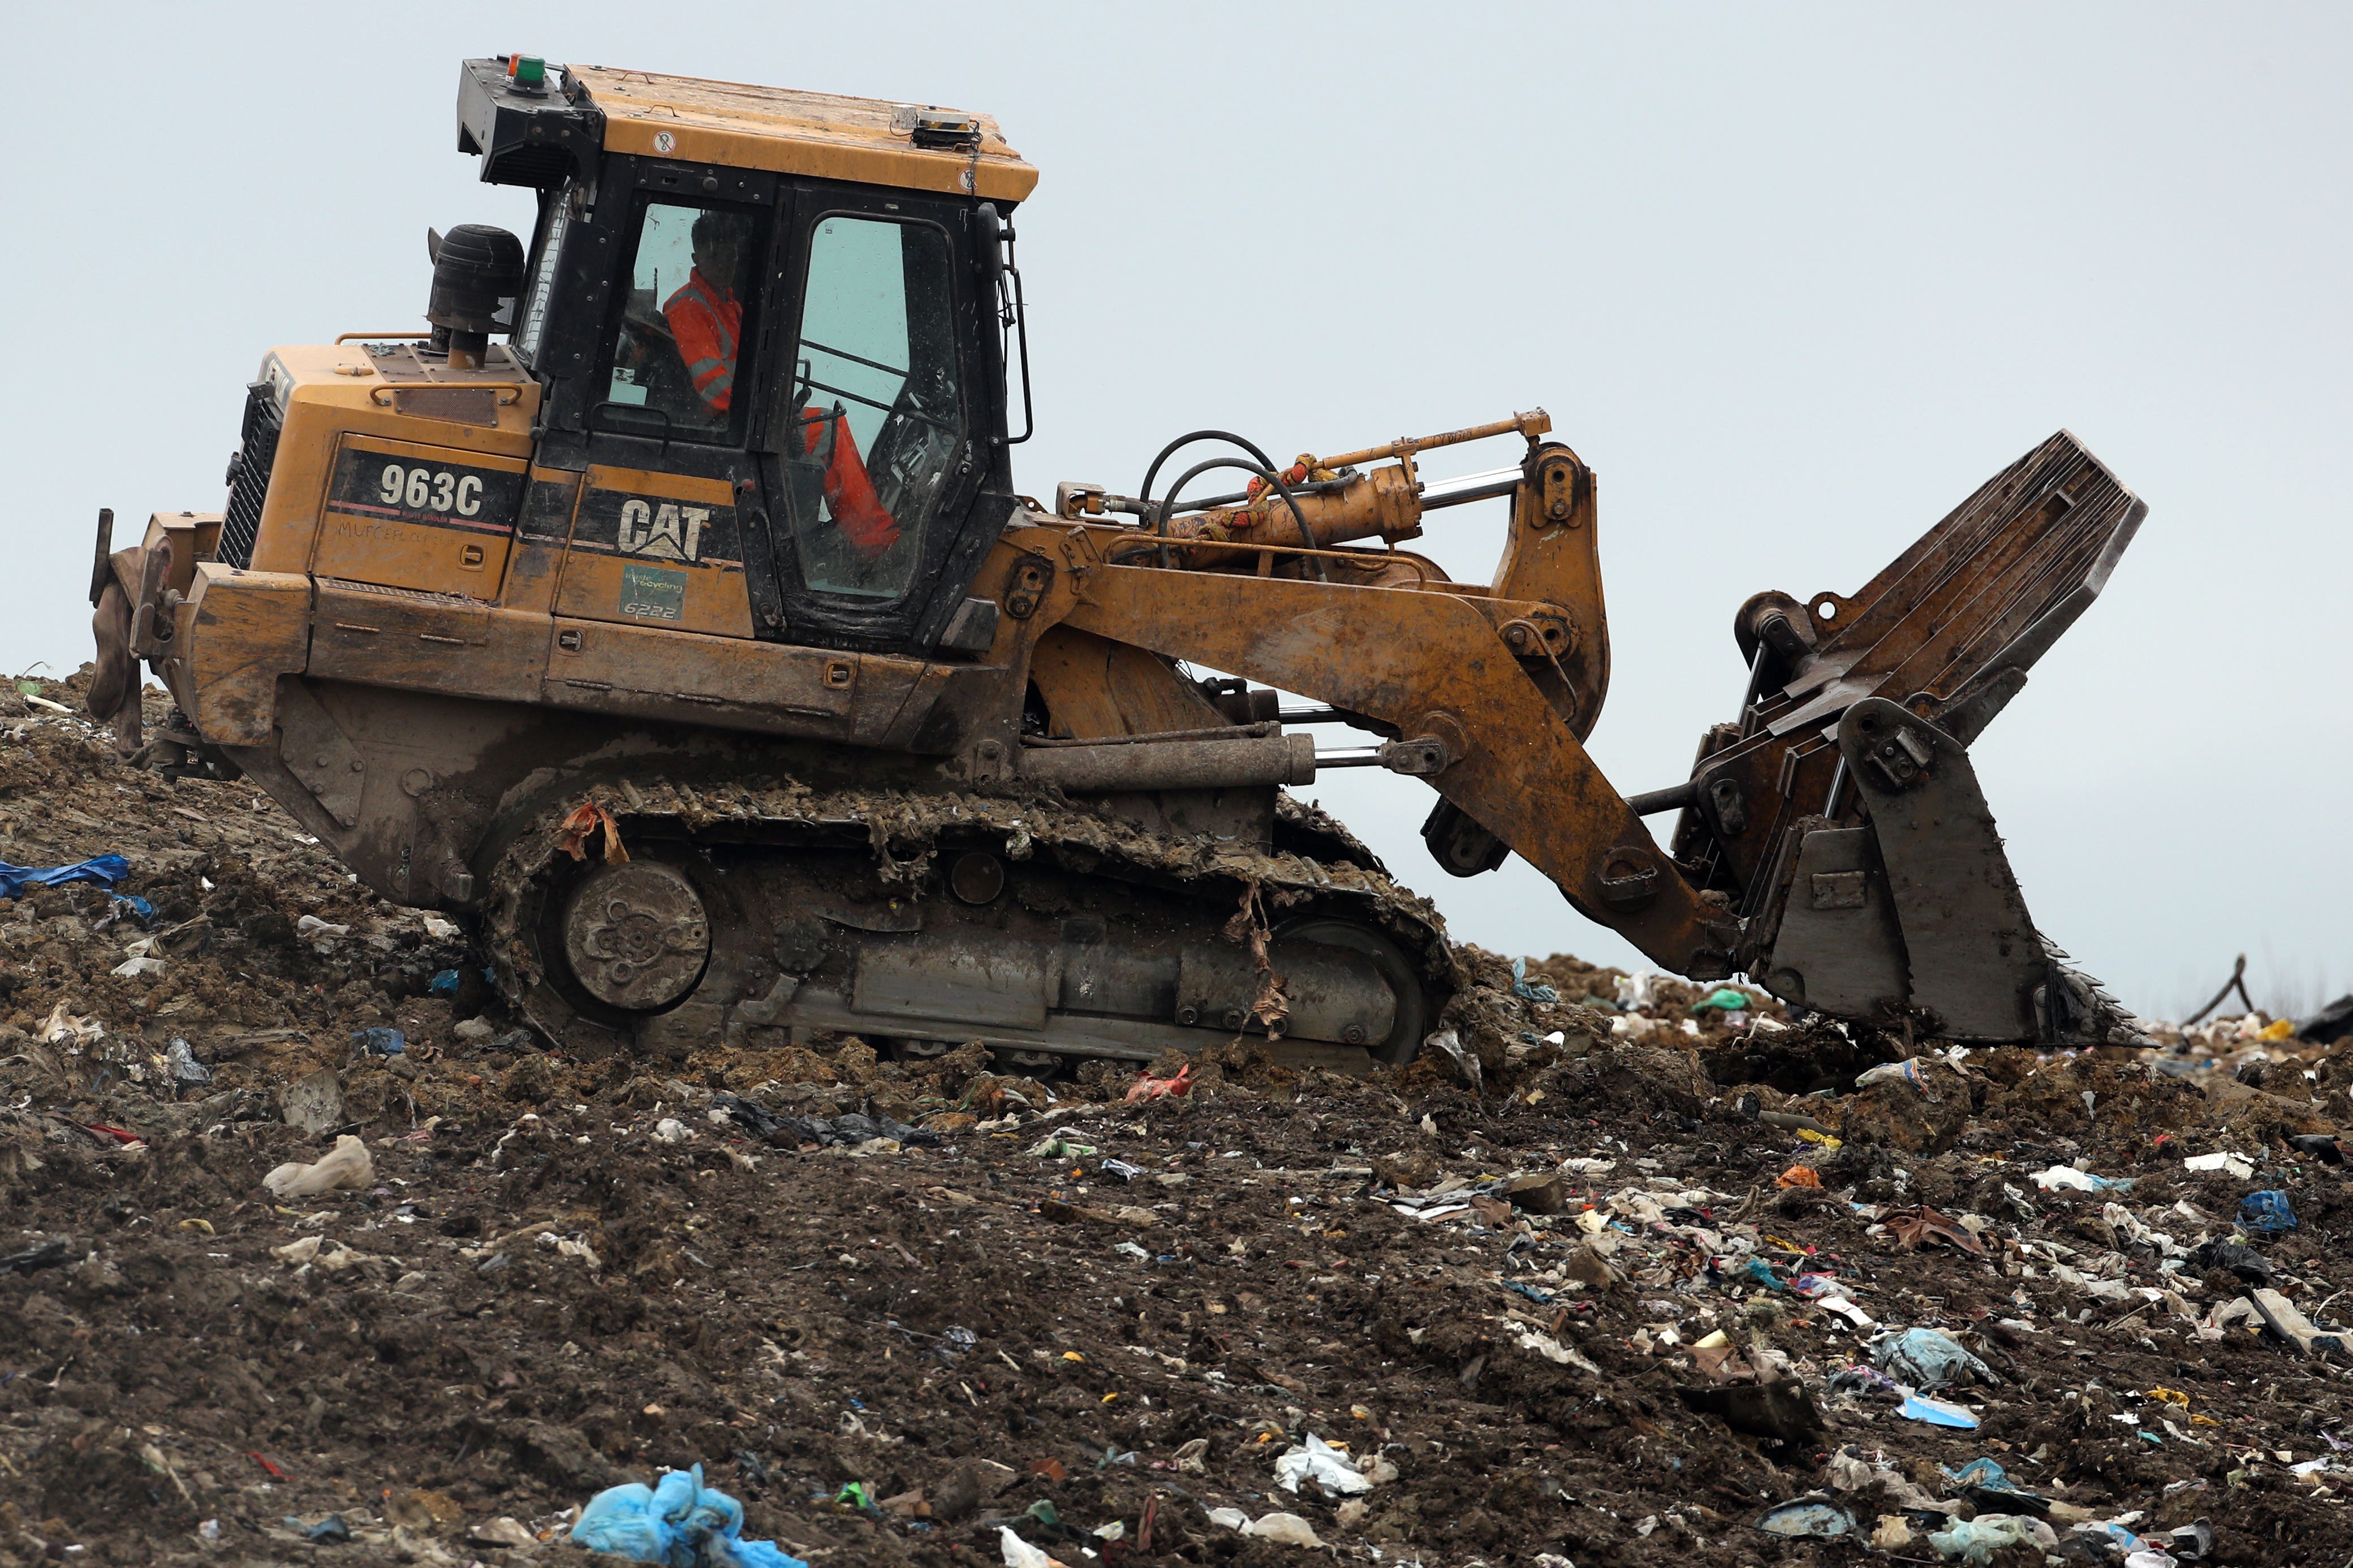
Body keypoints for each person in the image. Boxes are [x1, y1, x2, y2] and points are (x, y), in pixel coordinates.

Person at [663, 212, 748, 414]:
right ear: (696, 259)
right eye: (713, 257)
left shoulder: (732, 306)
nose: (723, 266)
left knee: (834, 423)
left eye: (730, 257)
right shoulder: (688, 308)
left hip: (735, 412)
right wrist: (756, 412)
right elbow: (710, 381)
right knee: (830, 434)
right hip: (715, 420)